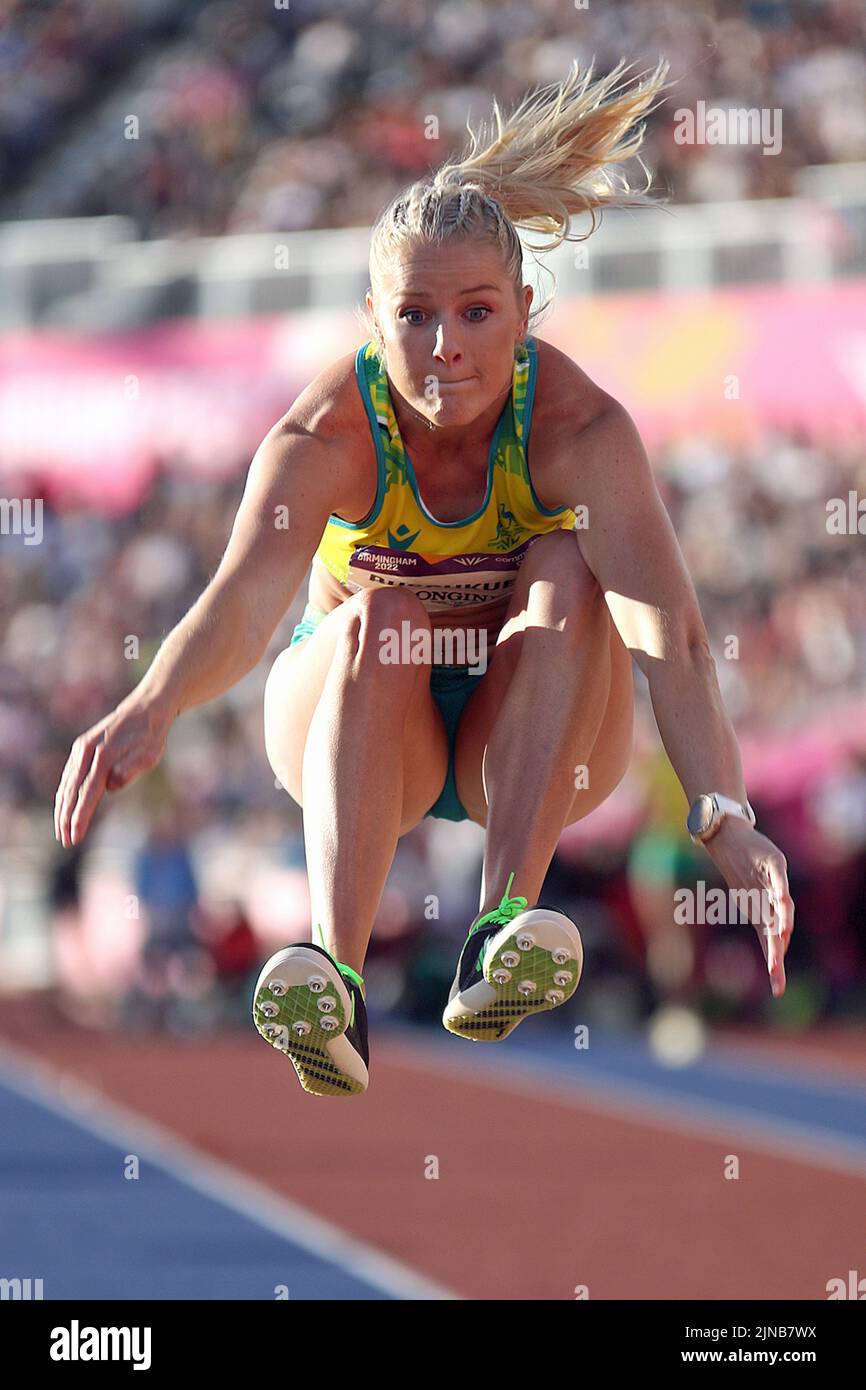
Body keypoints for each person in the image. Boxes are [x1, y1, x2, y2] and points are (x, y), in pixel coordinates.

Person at [53, 59, 795, 1099]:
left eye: (477, 314)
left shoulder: (579, 432)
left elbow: (666, 632)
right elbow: (242, 600)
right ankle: (334, 981)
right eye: (412, 317)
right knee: (381, 612)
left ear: (525, 309)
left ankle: (501, 932)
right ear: (370, 315)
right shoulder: (326, 432)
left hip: (531, 733)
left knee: (569, 566)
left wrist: (724, 816)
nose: (444, 350)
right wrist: (155, 699)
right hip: (362, 732)